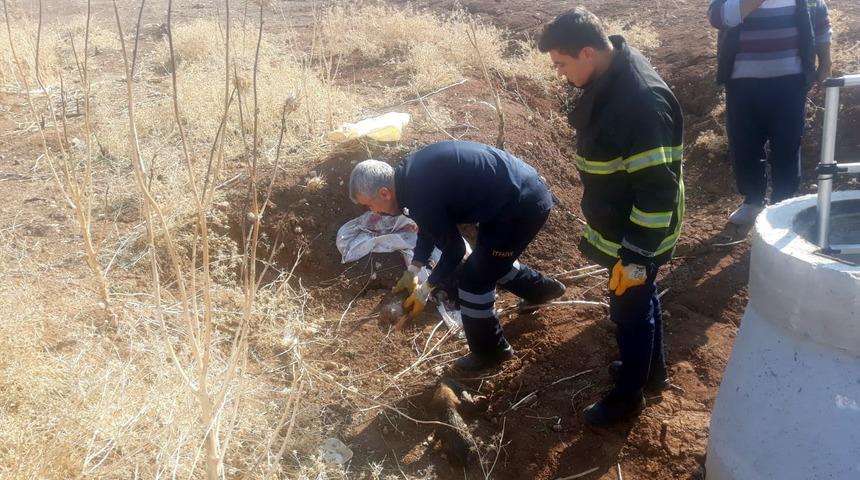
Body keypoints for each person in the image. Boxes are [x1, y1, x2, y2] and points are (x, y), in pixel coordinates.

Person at [538, 8, 685, 426]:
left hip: (639, 231)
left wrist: (636, 254)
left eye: (563, 65)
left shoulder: (639, 102)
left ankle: (628, 397)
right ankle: (650, 374)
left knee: (629, 313)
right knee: (640, 301)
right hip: (621, 221)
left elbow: (658, 191)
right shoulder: (611, 72)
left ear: (587, 52)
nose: (561, 75)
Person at [348, 140, 565, 371]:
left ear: (384, 193)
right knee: (488, 261)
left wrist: (426, 289)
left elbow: (455, 251)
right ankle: (544, 290)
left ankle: (491, 352)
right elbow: (429, 226)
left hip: (521, 206)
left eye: (369, 205)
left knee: (474, 279)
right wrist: (414, 268)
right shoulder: (409, 178)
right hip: (510, 199)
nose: (373, 212)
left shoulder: (419, 195)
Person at [708, 0, 833, 225]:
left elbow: (821, 23)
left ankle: (782, 204)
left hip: (791, 83)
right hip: (742, 83)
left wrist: (825, 63)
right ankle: (753, 201)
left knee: (788, 144)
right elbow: (718, 18)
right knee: (745, 145)